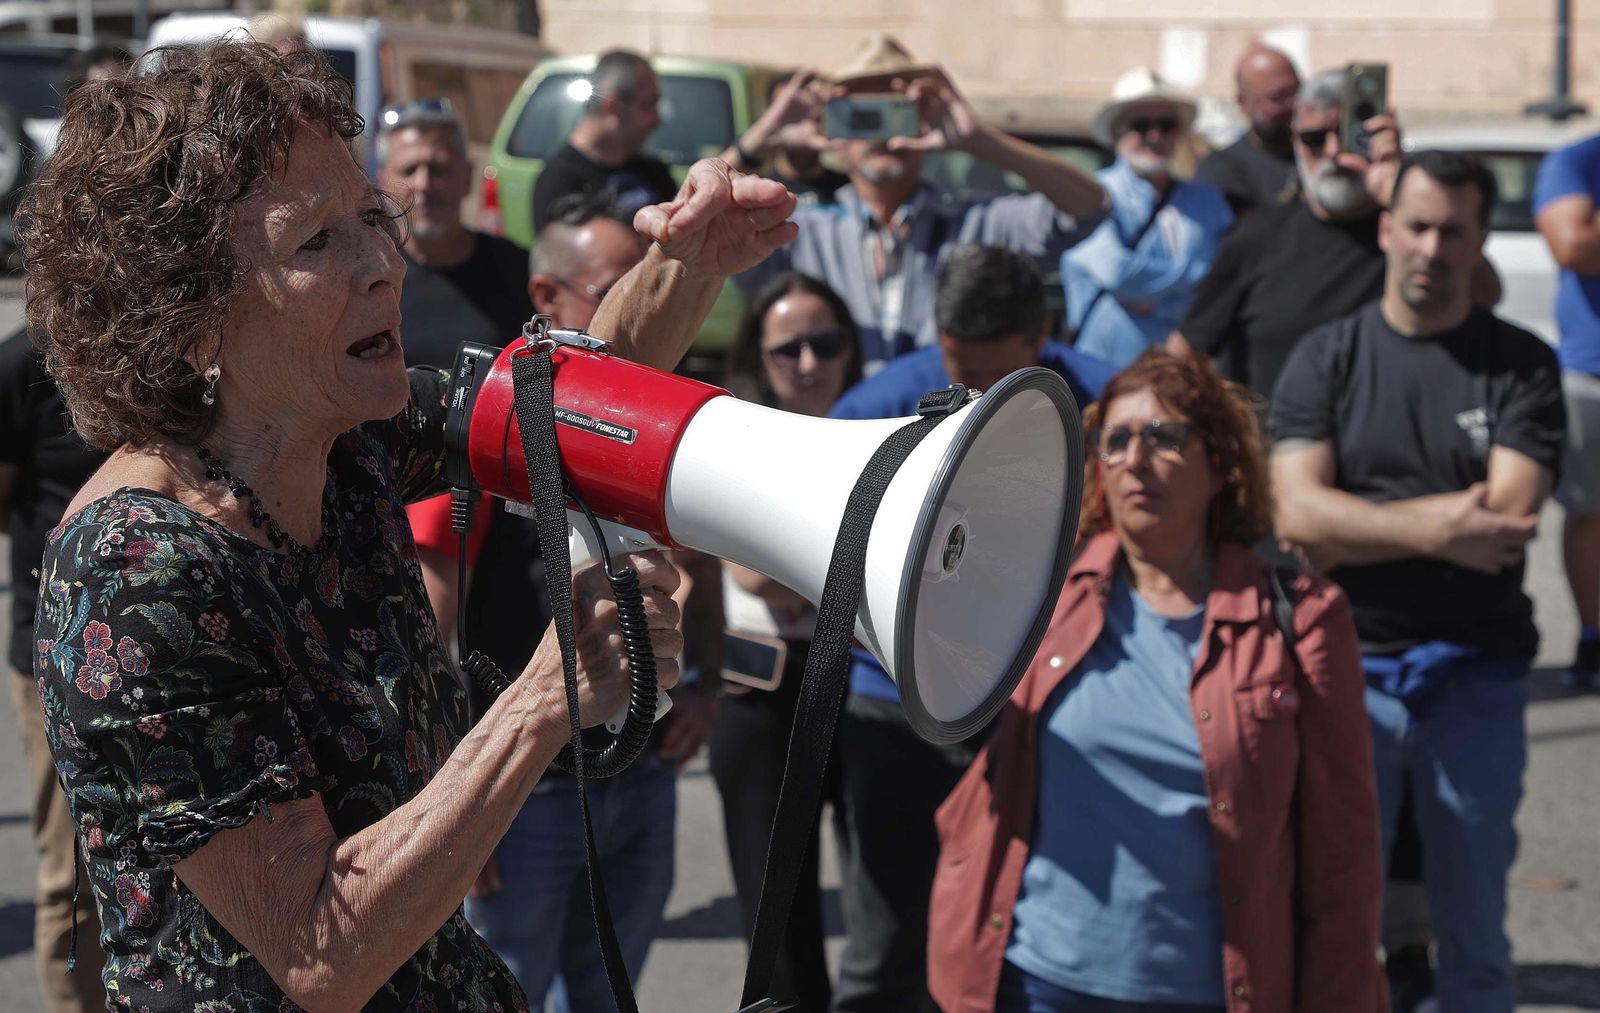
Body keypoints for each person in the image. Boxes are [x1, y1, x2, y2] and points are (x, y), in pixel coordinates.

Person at [20, 41, 796, 1011]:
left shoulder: (351, 439)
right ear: (189, 317)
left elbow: (560, 409)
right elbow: (318, 954)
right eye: (318, 242)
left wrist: (683, 264)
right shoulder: (135, 572)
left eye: (371, 220)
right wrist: (538, 704)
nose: (384, 264)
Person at [927, 350, 1385, 1013]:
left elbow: (1345, 853)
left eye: (1164, 436)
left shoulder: (1302, 616)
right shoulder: (1042, 590)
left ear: (1221, 462)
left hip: (1208, 990)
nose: (1136, 459)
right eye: (1115, 441)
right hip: (1036, 979)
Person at [406, 193, 718, 1011]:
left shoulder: (658, 414)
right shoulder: (501, 429)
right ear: (549, 299)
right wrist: (452, 802)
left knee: (612, 990)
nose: (654, 304)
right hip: (526, 795)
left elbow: (703, 558)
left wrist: (707, 683)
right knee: (510, 991)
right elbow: (426, 624)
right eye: (625, 283)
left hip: (640, 775)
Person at [1271, 150, 1566, 1012]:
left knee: (1473, 936)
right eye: (1419, 225)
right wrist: (1441, 525)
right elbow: (1295, 517)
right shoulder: (1325, 357)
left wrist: (1350, 520)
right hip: (1341, 674)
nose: (1433, 248)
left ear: (1480, 242)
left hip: (1473, 675)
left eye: (1455, 230)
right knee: (1332, 920)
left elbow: (1505, 522)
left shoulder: (1520, 364)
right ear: (1387, 228)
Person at [826, 244, 1114, 1011]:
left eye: (992, 376)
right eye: (959, 369)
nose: (975, 397)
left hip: (1042, 703)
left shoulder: (1108, 402)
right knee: (888, 938)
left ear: (1043, 333)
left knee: (1016, 927)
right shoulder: (875, 404)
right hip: (892, 707)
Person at [735, 34, 1107, 373]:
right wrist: (758, 141)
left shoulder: (977, 223)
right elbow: (689, 225)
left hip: (945, 434)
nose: (883, 134)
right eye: (865, 116)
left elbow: (1091, 206)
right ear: (836, 129)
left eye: (897, 113)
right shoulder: (802, 230)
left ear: (924, 121)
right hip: (839, 430)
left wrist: (978, 140)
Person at [707, 272, 862, 1010]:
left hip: (869, 688)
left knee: (892, 903)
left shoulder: (891, 422)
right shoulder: (736, 430)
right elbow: (755, 573)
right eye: (787, 348)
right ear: (756, 357)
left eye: (826, 342)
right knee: (778, 928)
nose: (809, 363)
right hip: (763, 692)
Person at [1170, 66, 1400, 400]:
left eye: (1350, 136)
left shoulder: (1409, 235)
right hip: (1272, 445)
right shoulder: (1257, 238)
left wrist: (1398, 194)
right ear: (1295, 141)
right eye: (1315, 139)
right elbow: (1183, 355)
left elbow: (1480, 290)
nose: (1334, 152)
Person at [0, 335, 107, 1012]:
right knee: (71, 880)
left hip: (157, 656)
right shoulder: (20, 366)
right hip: (52, 658)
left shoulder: (165, 345)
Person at [1064, 67, 1233, 369]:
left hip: (1179, 369)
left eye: (1166, 125)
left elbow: (1223, 280)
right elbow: (1116, 272)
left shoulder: (1208, 200)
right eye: (1142, 125)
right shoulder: (1093, 193)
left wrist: (1156, 300)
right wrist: (1192, 281)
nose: (1155, 135)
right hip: (1103, 364)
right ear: (1117, 132)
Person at [377, 97, 534, 365]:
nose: (423, 184)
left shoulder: (520, 271)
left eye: (438, 169)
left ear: (467, 177)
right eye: (409, 170)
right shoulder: (369, 277)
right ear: (382, 183)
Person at [1533, 131, 1600, 690]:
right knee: (1590, 514)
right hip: (1591, 369)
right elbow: (1573, 244)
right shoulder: (1578, 160)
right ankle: (1594, 637)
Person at [531, 49, 677, 233]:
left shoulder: (655, 174)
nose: (657, 119)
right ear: (613, 106)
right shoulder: (559, 184)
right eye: (648, 104)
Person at [1195, 45, 1301, 217]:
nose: (1293, 104)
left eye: (1298, 92)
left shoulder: (1320, 154)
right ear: (1243, 103)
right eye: (1277, 97)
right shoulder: (1222, 170)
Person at [723, 70, 851, 208]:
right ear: (767, 116)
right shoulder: (756, 190)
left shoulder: (853, 191)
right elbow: (705, 195)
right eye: (789, 111)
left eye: (810, 109)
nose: (801, 121)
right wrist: (761, 136)